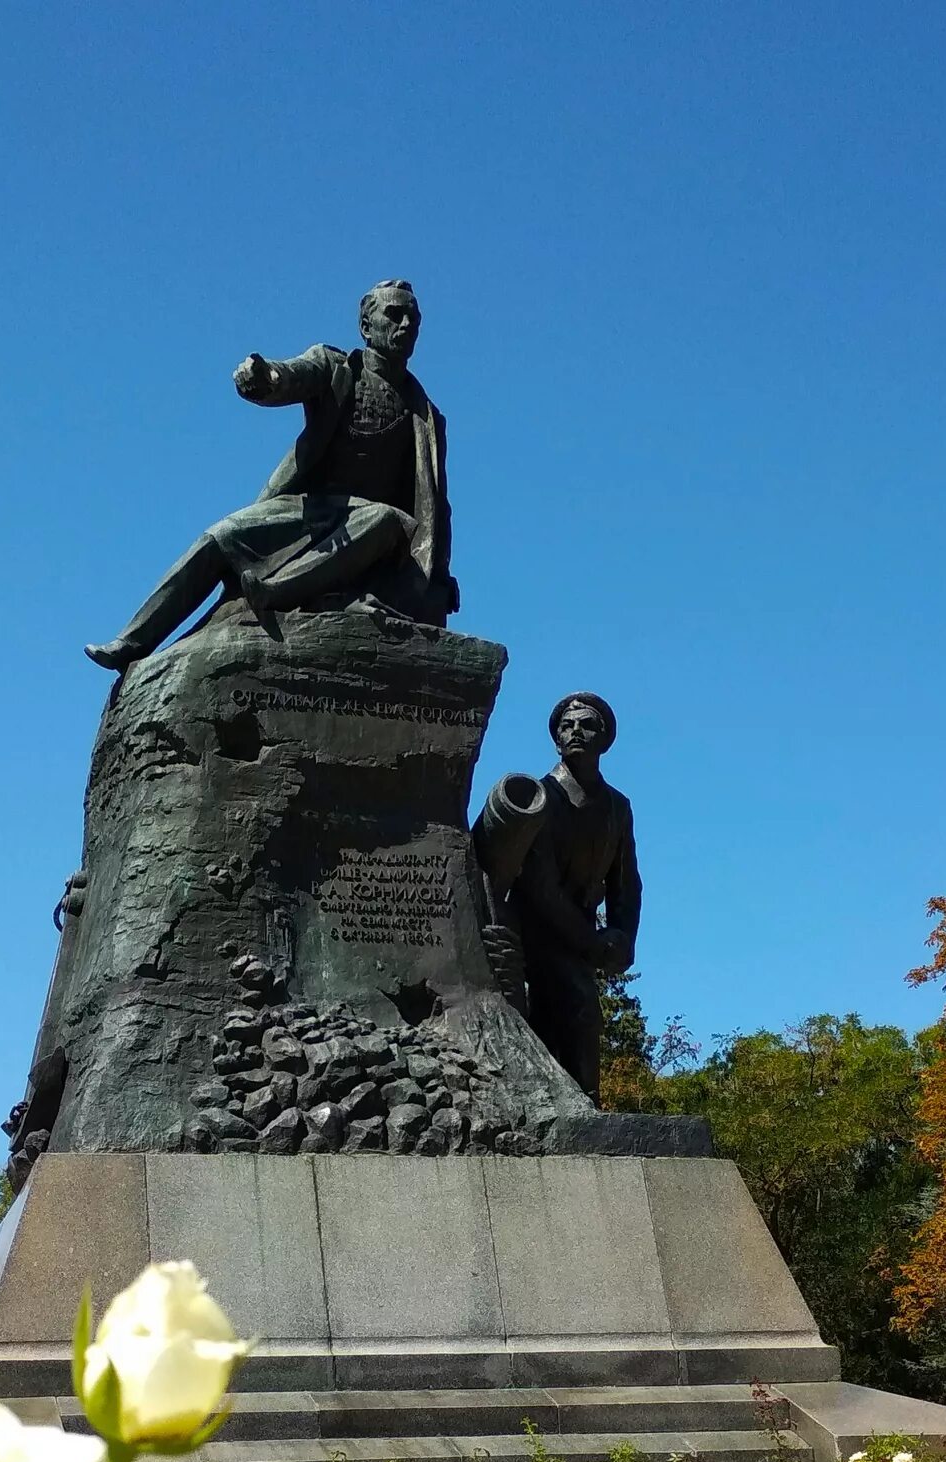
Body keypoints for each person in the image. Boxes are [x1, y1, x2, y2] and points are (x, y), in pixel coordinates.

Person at [85, 280, 454, 669]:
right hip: (310, 512)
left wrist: (440, 575)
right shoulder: (336, 368)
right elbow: (291, 375)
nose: (406, 324)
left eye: (414, 317)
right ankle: (133, 641)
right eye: (394, 314)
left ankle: (272, 591)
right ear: (366, 325)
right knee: (220, 537)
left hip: (371, 532)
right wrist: (264, 378)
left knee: (384, 518)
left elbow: (436, 505)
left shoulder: (425, 416)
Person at [510, 693, 641, 1099]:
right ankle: (583, 1109)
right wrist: (592, 945)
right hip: (535, 928)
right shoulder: (542, 797)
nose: (575, 732)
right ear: (556, 739)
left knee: (560, 1021)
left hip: (582, 932)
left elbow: (627, 882)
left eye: (586, 725)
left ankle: (568, 1107)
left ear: (604, 740)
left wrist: (623, 937)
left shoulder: (618, 807)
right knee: (579, 1008)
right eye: (566, 726)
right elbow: (540, 888)